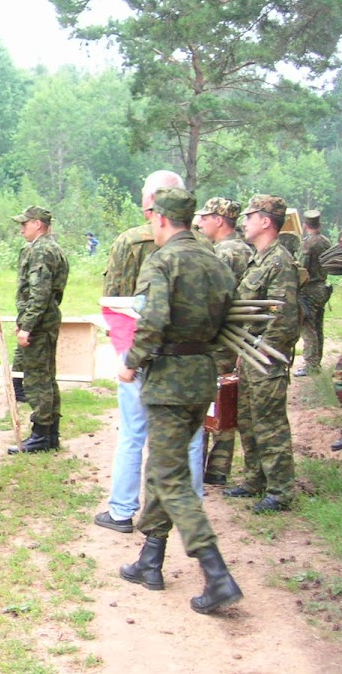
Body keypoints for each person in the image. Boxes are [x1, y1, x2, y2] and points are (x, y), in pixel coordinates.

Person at [117, 187, 243, 614]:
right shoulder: (216, 261)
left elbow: (152, 322)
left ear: (161, 220)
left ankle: (217, 573)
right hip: (201, 378)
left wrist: (132, 361)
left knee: (170, 477)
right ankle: (149, 560)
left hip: (169, 382)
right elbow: (229, 323)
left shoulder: (164, 261)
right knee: (164, 466)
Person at [95, 170, 206, 534]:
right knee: (189, 435)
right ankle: (187, 509)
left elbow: (113, 300)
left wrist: (128, 353)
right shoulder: (203, 247)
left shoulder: (130, 242)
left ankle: (122, 510)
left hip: (140, 351)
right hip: (188, 357)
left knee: (133, 433)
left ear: (153, 203)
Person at [225, 195, 300, 513]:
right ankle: (254, 479)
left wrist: (261, 353)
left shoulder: (279, 262)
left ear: (266, 221)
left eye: (249, 216)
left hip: (266, 357)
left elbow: (283, 320)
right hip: (251, 354)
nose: (244, 221)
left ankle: (280, 491)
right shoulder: (259, 258)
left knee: (269, 422)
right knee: (249, 419)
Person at [193, 197, 252, 486]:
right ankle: (219, 467)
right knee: (228, 399)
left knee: (207, 401)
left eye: (205, 217)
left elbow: (213, 301)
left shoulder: (222, 254)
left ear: (219, 219)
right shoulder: (248, 249)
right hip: (239, 339)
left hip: (217, 340)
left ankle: (199, 466)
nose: (200, 223)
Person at [7, 205, 69, 453]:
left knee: (37, 379)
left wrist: (27, 326)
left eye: (25, 223)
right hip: (45, 319)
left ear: (38, 224)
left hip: (40, 323)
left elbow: (39, 293)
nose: (22, 228)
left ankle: (42, 434)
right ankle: (50, 434)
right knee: (47, 376)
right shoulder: (49, 248)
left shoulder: (42, 251)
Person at [296, 209, 331, 376]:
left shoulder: (307, 244)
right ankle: (317, 361)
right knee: (318, 325)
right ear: (320, 224)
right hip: (323, 287)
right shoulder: (326, 241)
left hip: (309, 289)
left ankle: (311, 364)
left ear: (304, 225)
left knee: (307, 326)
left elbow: (302, 269)